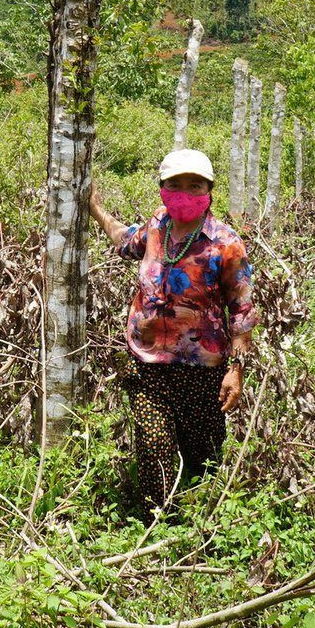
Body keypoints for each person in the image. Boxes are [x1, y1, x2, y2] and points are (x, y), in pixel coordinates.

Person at [87, 148, 258, 516]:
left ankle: (200, 526)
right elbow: (124, 239)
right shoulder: (156, 227)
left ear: (209, 190)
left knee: (203, 457)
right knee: (153, 446)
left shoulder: (225, 244)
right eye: (175, 184)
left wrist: (236, 370)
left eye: (194, 185)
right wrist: (96, 209)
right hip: (146, 364)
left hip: (202, 371)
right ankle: (155, 523)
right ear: (163, 188)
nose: (185, 192)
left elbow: (243, 310)